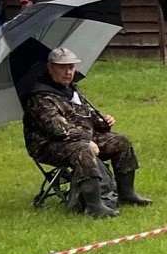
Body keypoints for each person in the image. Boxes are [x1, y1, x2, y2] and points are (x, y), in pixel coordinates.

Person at [22, 47, 152, 218]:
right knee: (83, 150)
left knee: (121, 141)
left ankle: (127, 194)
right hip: (49, 145)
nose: (68, 72)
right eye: (63, 67)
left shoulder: (72, 90)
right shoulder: (40, 97)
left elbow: (88, 117)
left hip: (79, 138)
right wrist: (86, 140)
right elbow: (58, 130)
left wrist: (102, 123)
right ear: (50, 67)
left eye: (71, 67)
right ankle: (94, 206)